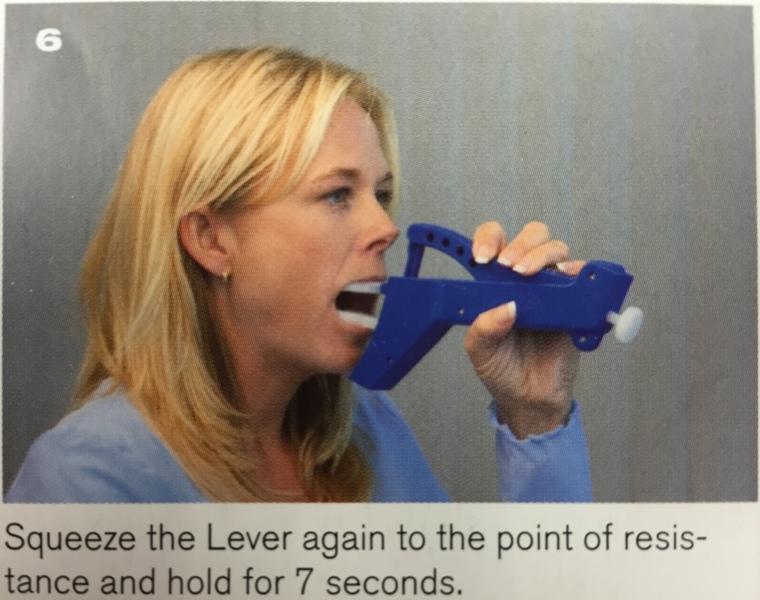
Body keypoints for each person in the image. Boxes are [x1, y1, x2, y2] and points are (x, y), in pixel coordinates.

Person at [7, 46, 591, 503]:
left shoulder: (369, 431)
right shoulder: (88, 478)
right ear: (211, 240)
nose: (386, 227)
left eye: (381, 194)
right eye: (337, 195)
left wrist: (536, 414)